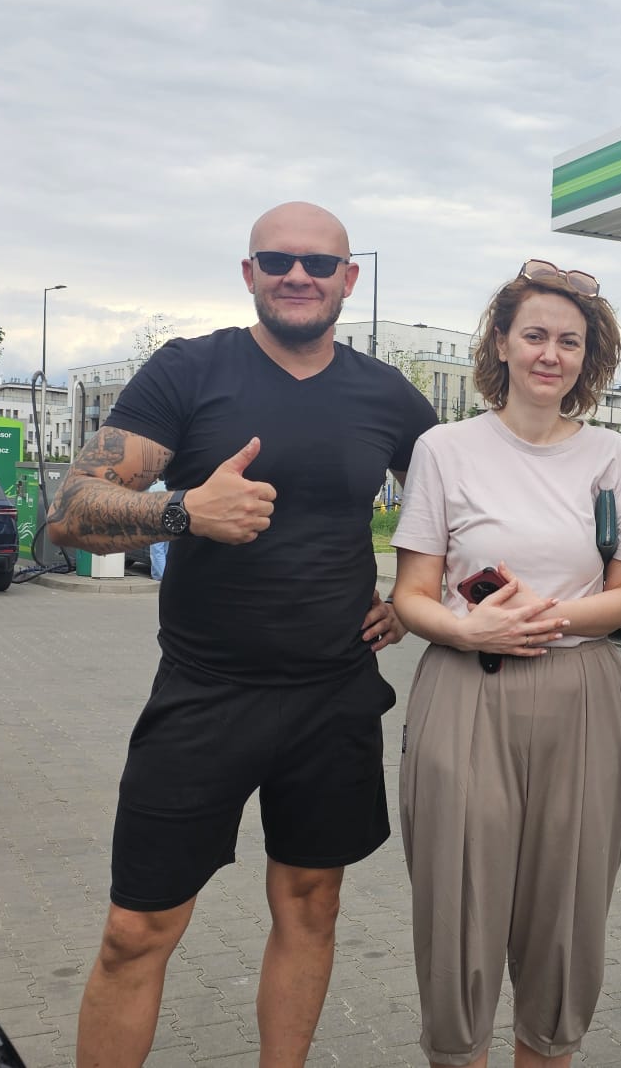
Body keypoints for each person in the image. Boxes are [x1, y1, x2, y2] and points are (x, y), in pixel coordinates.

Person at [49, 202, 438, 1068]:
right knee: (136, 927)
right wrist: (184, 509)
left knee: (311, 903)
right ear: (249, 272)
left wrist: (417, 594)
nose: (297, 275)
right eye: (277, 260)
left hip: (334, 693)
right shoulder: (191, 371)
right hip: (204, 692)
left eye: (318, 264)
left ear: (350, 279)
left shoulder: (385, 393)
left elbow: (468, 499)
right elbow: (68, 514)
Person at [389, 260, 621, 1068]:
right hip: (467, 688)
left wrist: (543, 619)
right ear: (500, 343)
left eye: (569, 341)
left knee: (565, 917)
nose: (551, 354)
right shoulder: (445, 448)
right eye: (534, 334)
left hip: (582, 693)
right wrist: (471, 633)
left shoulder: (613, 457)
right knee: (458, 911)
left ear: (589, 356)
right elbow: (413, 594)